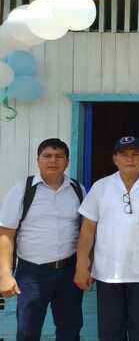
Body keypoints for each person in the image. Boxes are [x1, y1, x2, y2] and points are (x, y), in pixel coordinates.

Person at [74, 136, 139, 341]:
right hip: (107, 273)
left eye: (135, 154)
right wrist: (81, 264)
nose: (129, 159)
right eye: (124, 155)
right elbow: (88, 228)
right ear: (115, 159)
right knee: (109, 331)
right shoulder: (101, 187)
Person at [0, 138, 85, 341]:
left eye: (59, 156)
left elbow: (86, 232)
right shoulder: (23, 190)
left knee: (70, 329)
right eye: (47, 156)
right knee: (28, 331)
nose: (53, 161)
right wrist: (4, 275)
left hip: (68, 272)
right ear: (38, 160)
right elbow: (5, 234)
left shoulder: (78, 189)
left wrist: (84, 265)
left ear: (67, 161)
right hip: (32, 273)